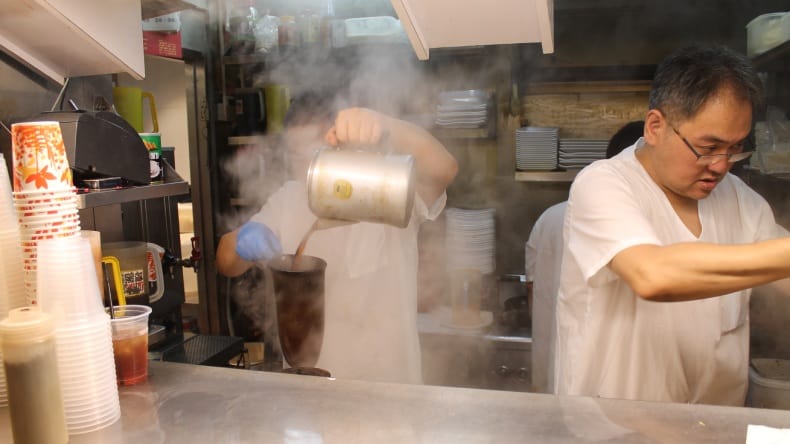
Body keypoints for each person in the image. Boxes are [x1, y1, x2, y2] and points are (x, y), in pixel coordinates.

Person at [554, 43, 790, 406]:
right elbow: (653, 275)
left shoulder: (741, 200)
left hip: (711, 428)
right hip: (614, 429)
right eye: (708, 147)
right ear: (655, 126)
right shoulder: (603, 183)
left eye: (735, 148)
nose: (722, 165)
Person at [216, 92, 458, 384]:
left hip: (391, 394)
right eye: (296, 156)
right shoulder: (288, 199)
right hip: (310, 393)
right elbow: (226, 260)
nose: (306, 169)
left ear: (342, 143)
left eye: (315, 153)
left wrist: (385, 124)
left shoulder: (382, 189)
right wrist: (245, 239)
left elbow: (444, 169)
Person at [525, 120, 643, 394]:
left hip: (552, 361)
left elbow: (532, 289)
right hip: (606, 381)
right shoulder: (638, 230)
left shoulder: (548, 217)